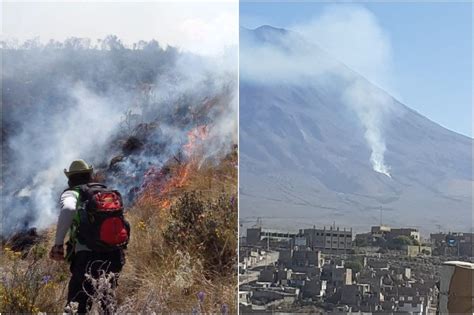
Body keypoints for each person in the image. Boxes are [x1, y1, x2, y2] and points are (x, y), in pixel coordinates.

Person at [49, 159, 127, 314]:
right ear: (90, 175)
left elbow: (68, 209)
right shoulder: (106, 192)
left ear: (70, 178)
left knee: (76, 307)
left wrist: (58, 245)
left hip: (87, 259)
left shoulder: (73, 192)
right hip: (114, 256)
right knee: (108, 305)